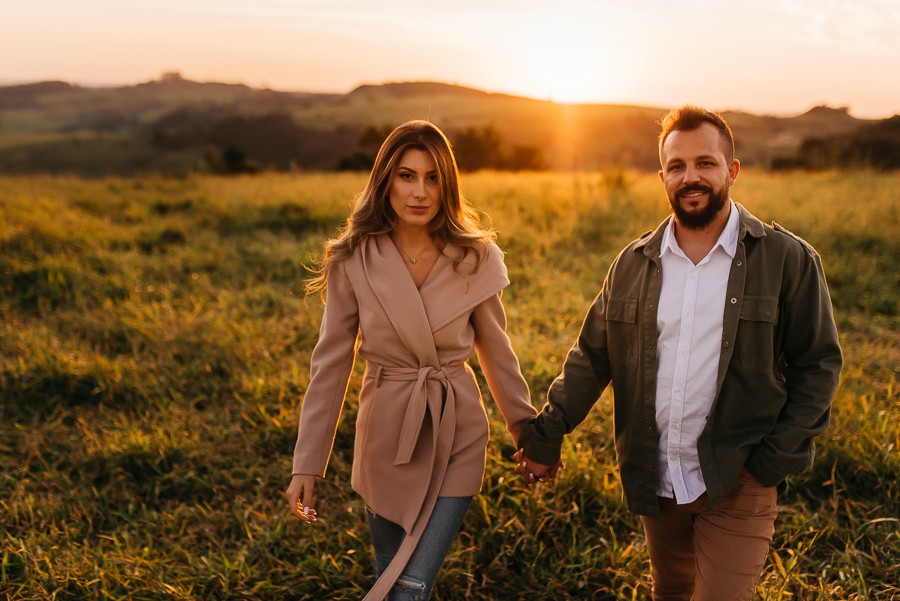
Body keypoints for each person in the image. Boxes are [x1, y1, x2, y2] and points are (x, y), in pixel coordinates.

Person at [514, 105, 842, 601]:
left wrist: (772, 461)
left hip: (739, 475)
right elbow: (591, 359)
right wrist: (546, 435)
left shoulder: (787, 259)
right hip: (658, 474)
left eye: (705, 163)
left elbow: (818, 364)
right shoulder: (632, 264)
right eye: (677, 166)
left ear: (731, 170)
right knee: (670, 590)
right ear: (662, 177)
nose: (691, 177)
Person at [286, 120, 537, 601]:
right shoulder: (354, 259)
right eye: (406, 176)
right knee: (390, 576)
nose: (420, 192)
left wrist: (528, 434)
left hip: (456, 431)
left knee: (410, 588)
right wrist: (307, 463)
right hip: (385, 438)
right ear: (386, 181)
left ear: (448, 185)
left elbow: (497, 351)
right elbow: (331, 364)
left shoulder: (476, 257)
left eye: (433, 178)